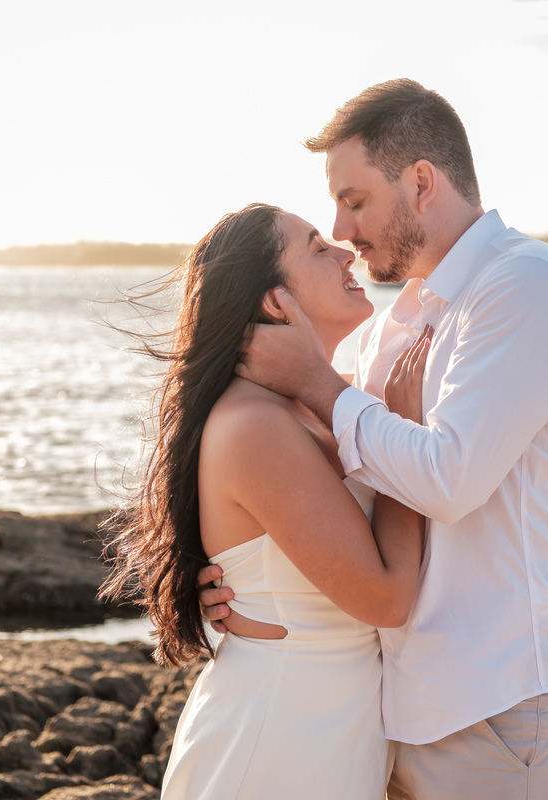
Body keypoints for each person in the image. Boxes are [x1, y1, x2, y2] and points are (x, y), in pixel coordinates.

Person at [203, 79, 548, 799]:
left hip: (506, 703)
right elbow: (341, 486)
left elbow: (446, 481)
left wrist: (317, 383)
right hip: (402, 711)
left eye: (355, 200)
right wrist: (236, 580)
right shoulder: (398, 327)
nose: (342, 229)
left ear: (421, 182)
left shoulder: (527, 286)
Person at [100, 202, 431, 799]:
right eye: (314, 246)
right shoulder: (254, 423)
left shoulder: (332, 404)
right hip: (281, 729)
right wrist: (404, 437)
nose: (342, 247)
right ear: (276, 300)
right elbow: (386, 597)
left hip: (334, 719)